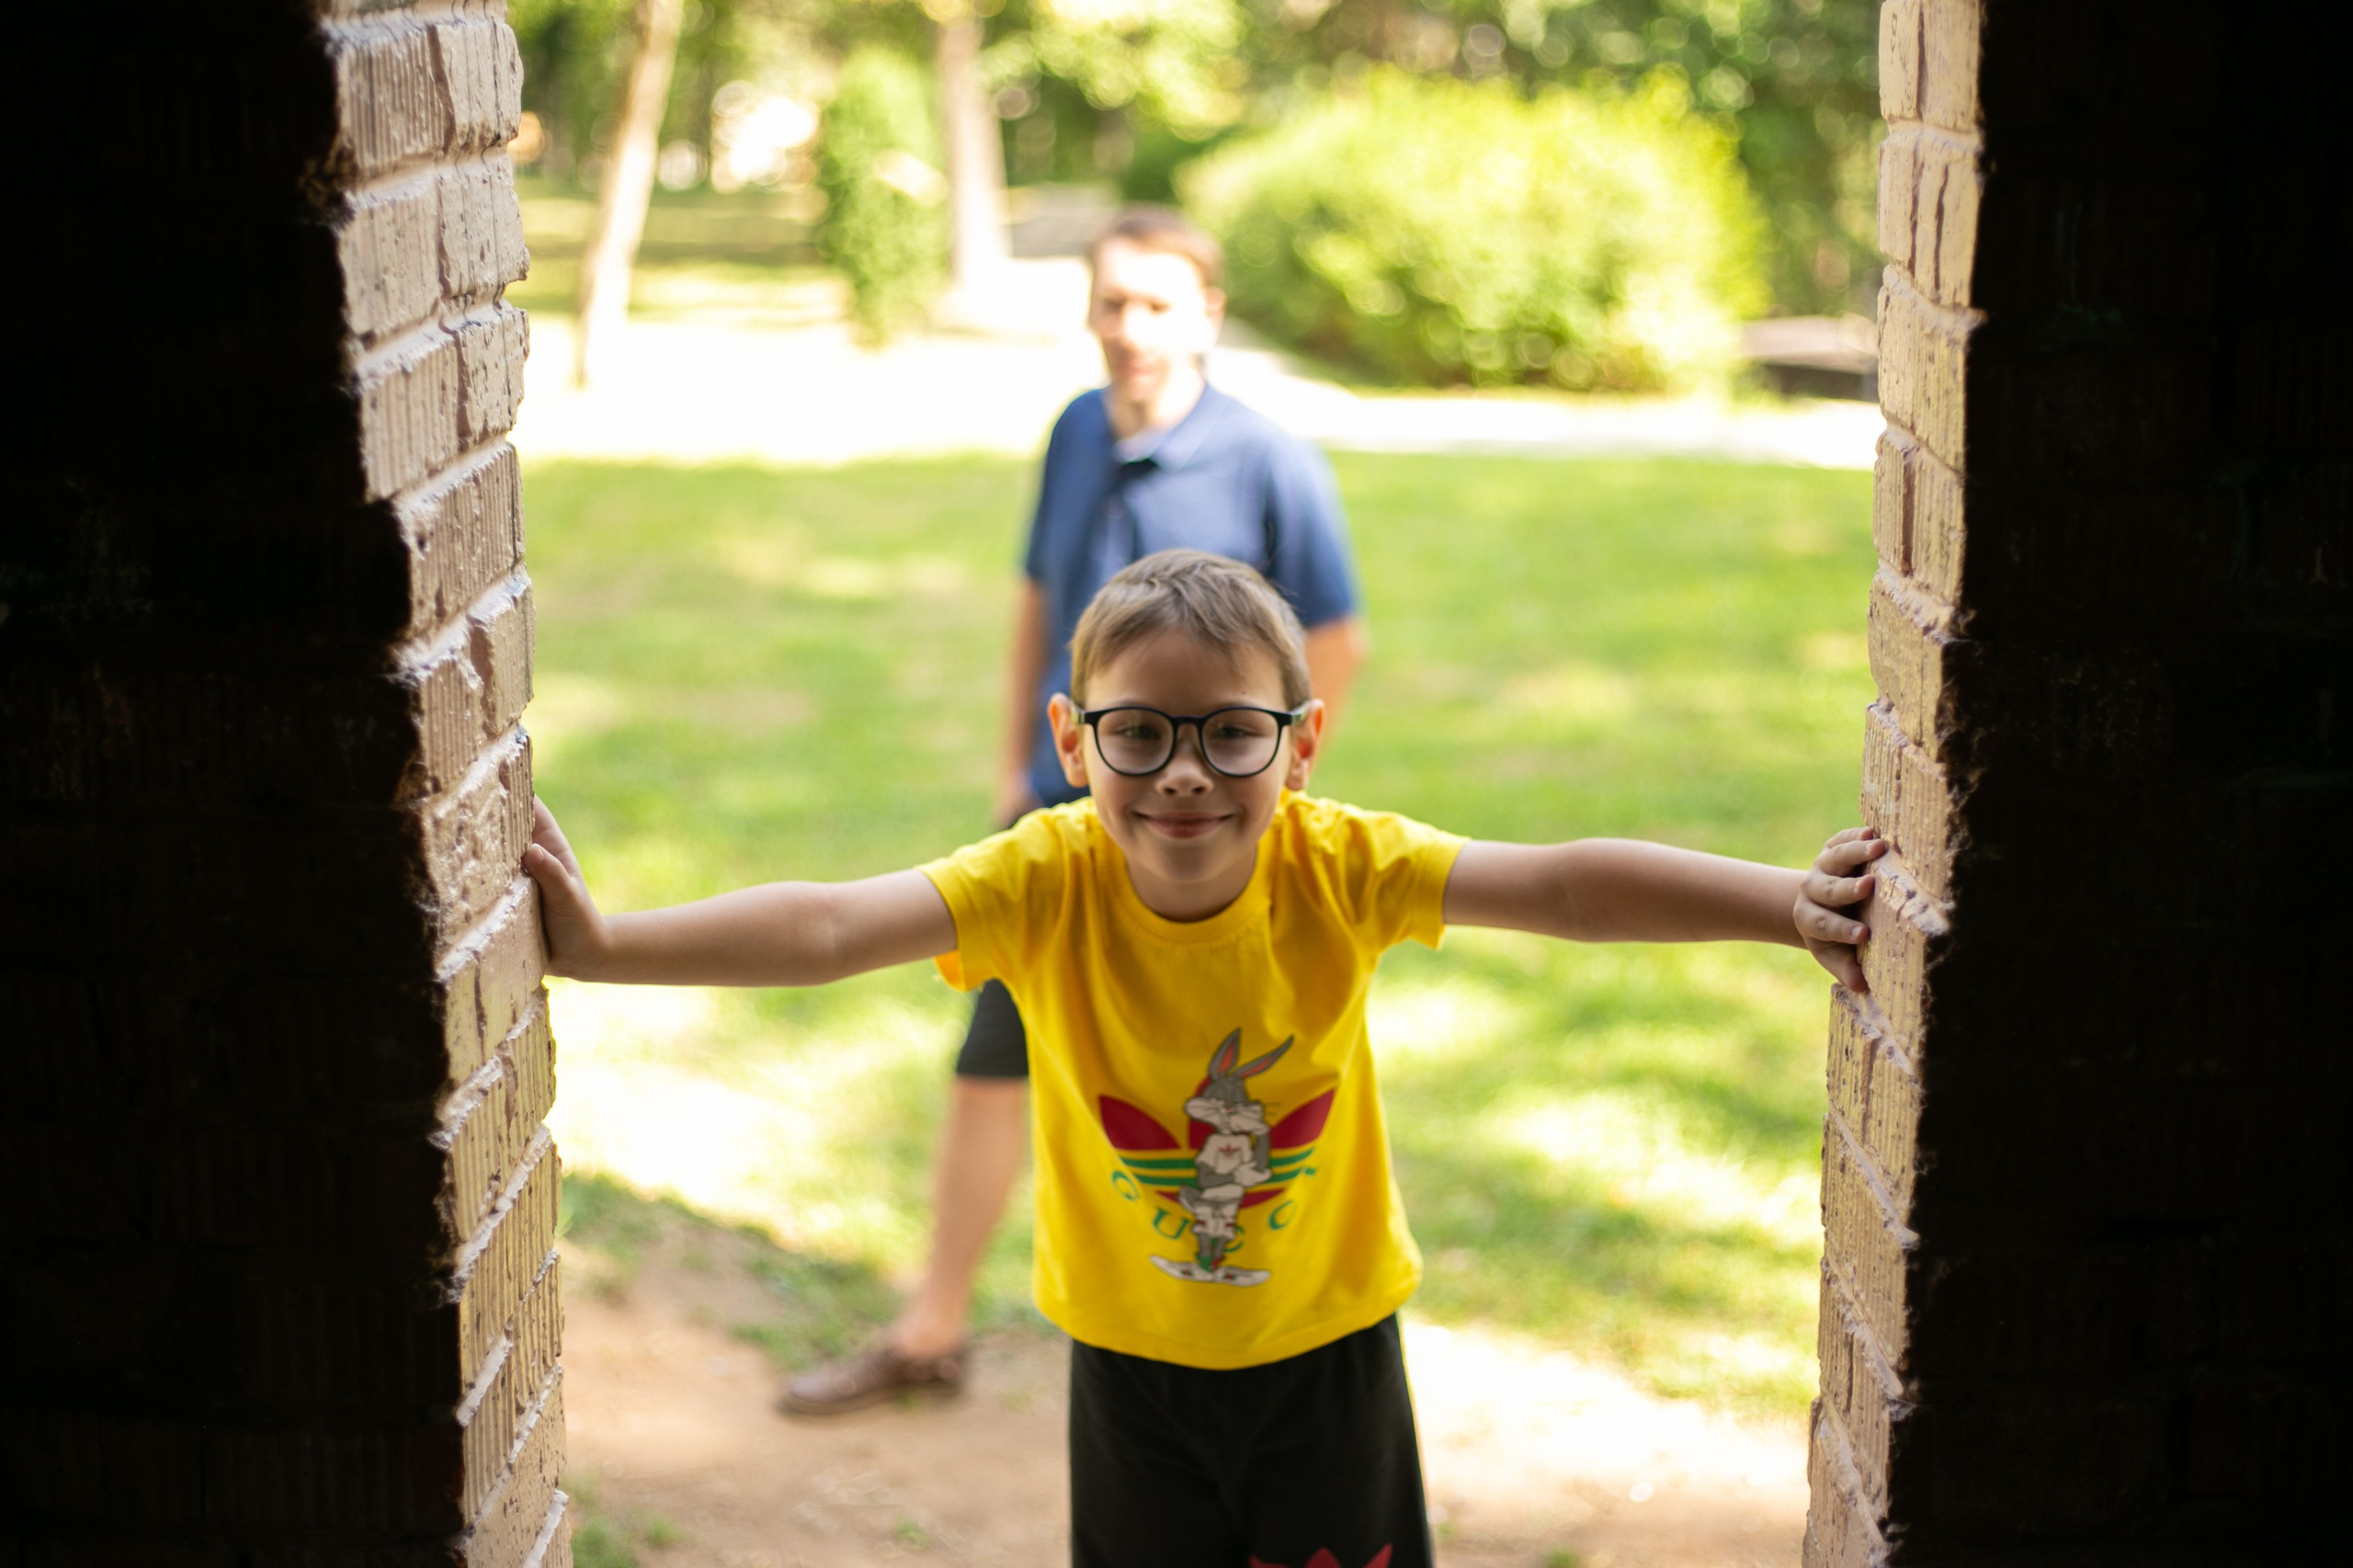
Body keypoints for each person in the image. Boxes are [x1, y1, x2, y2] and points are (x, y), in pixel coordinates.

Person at [526, 549, 1882, 1568]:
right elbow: (828, 923)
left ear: (1300, 748)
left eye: (1231, 731)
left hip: (1328, 1358)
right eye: (1140, 732)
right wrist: (601, 942)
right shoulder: (1040, 877)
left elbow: (1568, 886)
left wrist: (1786, 903)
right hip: (1130, 1366)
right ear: (1073, 740)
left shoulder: (1342, 866)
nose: (1184, 773)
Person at [781, 207, 1371, 1414]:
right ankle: (930, 1330)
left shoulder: (1269, 461)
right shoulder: (1073, 435)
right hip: (1062, 829)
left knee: (1215, 1094)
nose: (1129, 328)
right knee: (990, 1063)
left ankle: (1212, 1317)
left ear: (1207, 312)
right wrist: (1014, 762)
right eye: (1110, 302)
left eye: (1156, 303)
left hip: (1198, 854)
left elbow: (1335, 640)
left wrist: (1261, 802)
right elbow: (1038, 603)